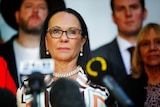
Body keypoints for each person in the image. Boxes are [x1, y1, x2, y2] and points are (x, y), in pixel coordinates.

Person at [17, 8, 110, 107]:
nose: (64, 38)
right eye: (56, 31)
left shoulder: (101, 92)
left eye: (72, 32)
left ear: (82, 42)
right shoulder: (28, 90)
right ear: (46, 42)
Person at [0, 0, 66, 88]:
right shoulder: (2, 53)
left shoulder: (63, 52)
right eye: (28, 6)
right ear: (17, 15)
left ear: (49, 18)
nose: (35, 10)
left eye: (41, 7)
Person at [88, 0, 148, 85]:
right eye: (121, 9)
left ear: (144, 13)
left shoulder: (157, 54)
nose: (128, 14)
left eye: (133, 7)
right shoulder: (95, 58)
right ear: (113, 17)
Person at [119, 23, 160, 107]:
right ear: (138, 52)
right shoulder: (126, 85)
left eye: (158, 42)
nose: (152, 48)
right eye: (146, 44)